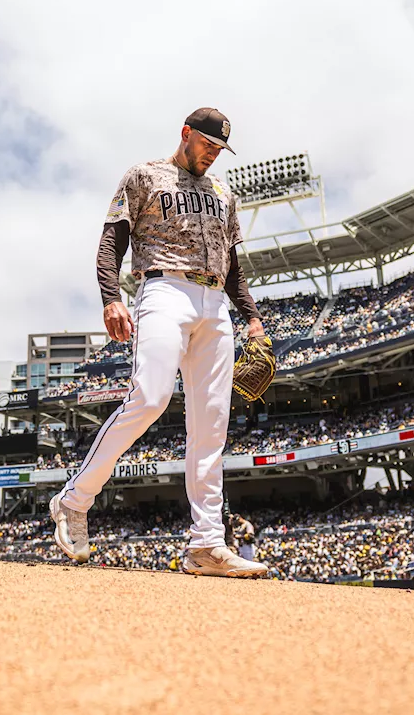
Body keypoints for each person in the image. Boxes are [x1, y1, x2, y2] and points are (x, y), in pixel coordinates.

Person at [49, 108, 268, 578]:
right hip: (164, 288)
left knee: (211, 425)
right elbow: (111, 242)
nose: (213, 155)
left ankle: (207, 543)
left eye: (219, 149)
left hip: (215, 303)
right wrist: (111, 299)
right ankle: (73, 500)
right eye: (207, 144)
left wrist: (252, 319)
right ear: (186, 134)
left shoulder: (224, 194)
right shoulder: (145, 175)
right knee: (150, 396)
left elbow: (235, 266)